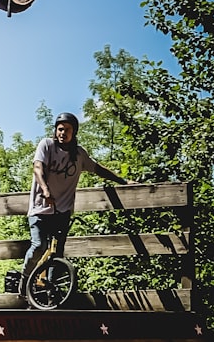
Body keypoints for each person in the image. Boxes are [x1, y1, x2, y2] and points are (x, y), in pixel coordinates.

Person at [22, 112, 137, 283]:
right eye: (60, 129)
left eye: (67, 130)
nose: (63, 133)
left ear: (74, 132)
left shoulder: (79, 155)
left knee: (57, 252)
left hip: (63, 211)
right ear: (55, 130)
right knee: (39, 246)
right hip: (40, 208)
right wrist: (45, 189)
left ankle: (51, 292)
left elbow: (98, 169)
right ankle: (24, 280)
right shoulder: (46, 145)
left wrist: (123, 181)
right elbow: (38, 168)